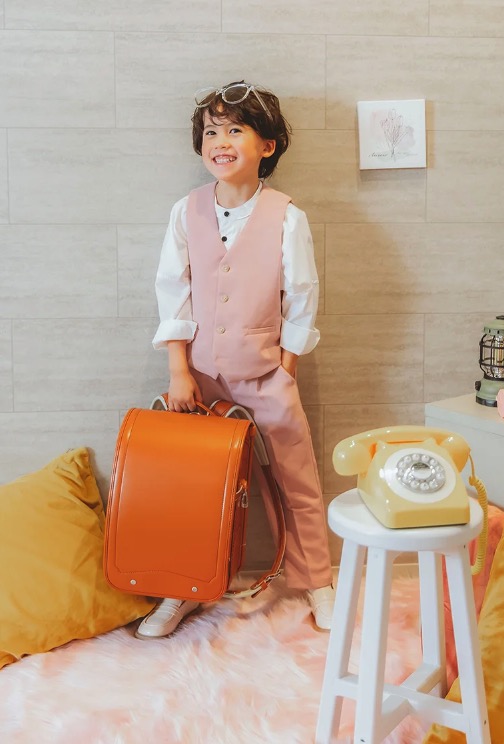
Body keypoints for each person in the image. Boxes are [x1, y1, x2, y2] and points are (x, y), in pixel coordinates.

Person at [136, 81, 335, 639]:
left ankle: (317, 582)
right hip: (198, 376)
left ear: (266, 146)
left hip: (267, 372)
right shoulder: (187, 211)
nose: (220, 142)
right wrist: (179, 371)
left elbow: (302, 295)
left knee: (297, 481)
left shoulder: (286, 217)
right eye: (210, 132)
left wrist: (286, 370)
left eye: (235, 130)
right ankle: (183, 587)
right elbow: (172, 289)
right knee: (192, 486)